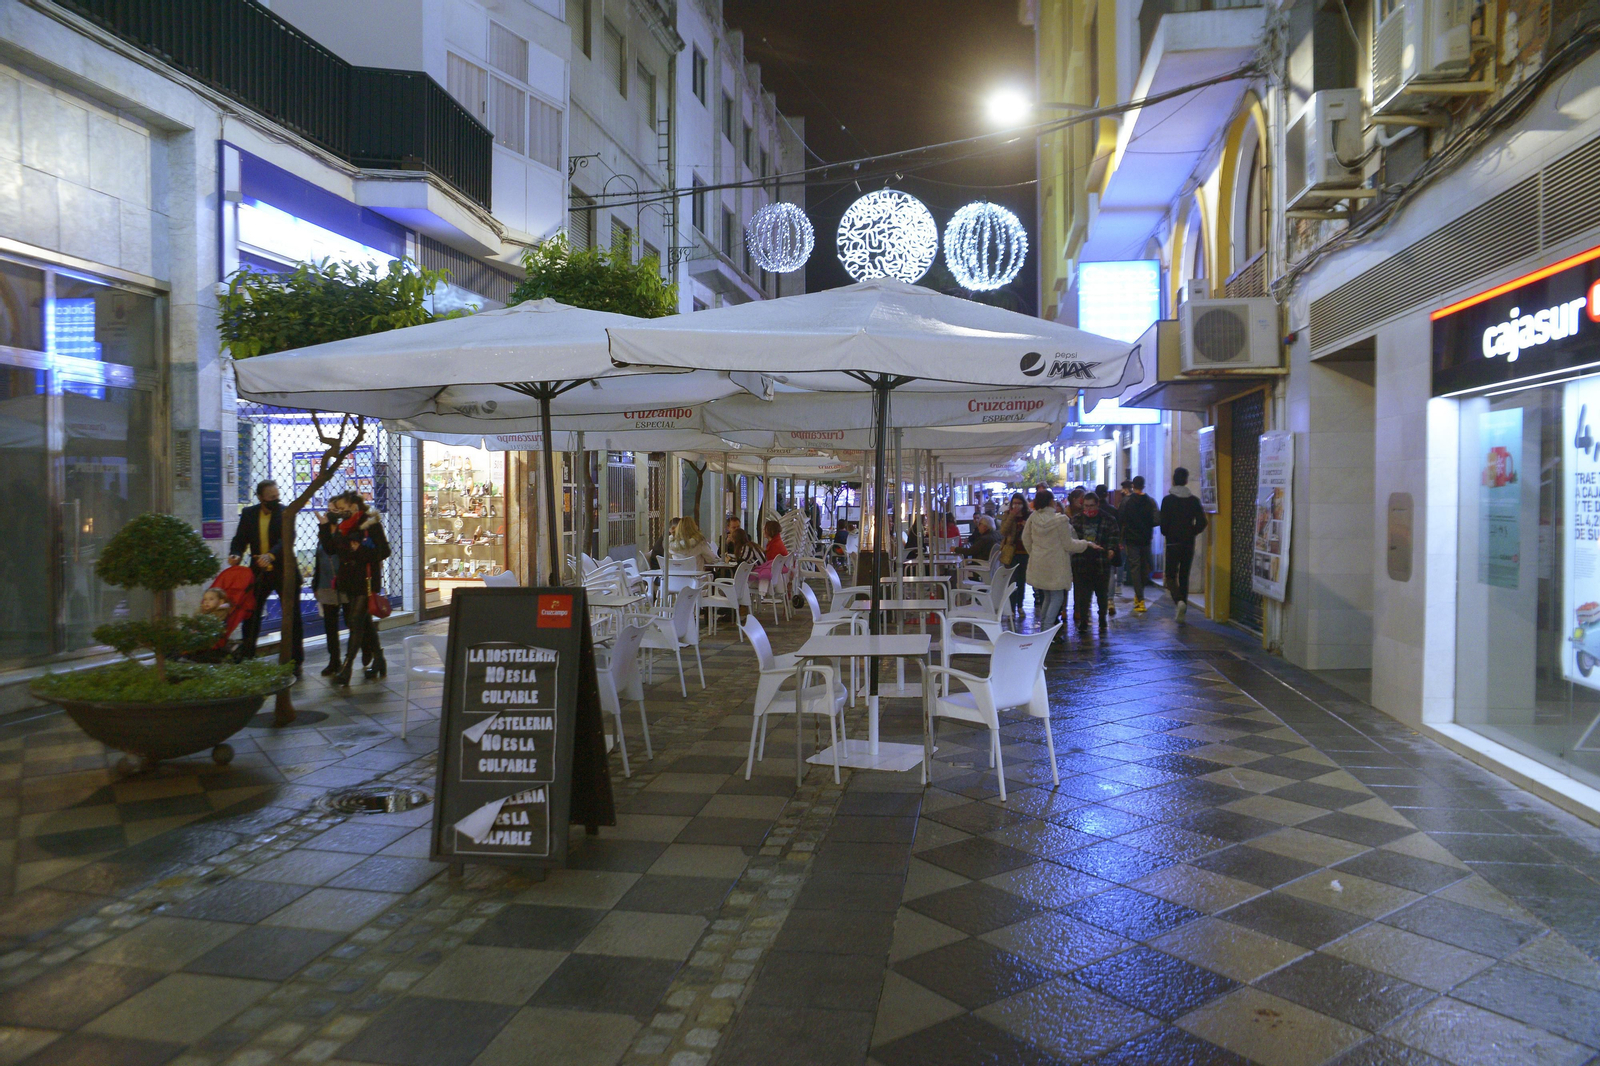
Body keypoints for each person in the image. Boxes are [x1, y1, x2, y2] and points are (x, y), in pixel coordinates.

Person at [229, 480, 304, 672]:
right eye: (271, 497)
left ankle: (294, 660)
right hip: (259, 572)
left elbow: (287, 539)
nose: (275, 500)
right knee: (251, 614)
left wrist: (270, 556)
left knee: (292, 615)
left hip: (284, 571)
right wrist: (235, 553)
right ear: (261, 497)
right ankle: (248, 655)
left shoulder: (285, 513)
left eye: (277, 496)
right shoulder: (249, 514)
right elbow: (240, 539)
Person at [320, 491, 390, 686]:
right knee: (363, 621)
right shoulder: (341, 526)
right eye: (338, 509)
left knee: (355, 621)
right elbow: (330, 549)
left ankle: (347, 667)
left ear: (354, 506)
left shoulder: (370, 523)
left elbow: (384, 551)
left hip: (365, 581)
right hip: (348, 581)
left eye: (344, 509)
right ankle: (379, 659)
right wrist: (325, 526)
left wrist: (360, 551)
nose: (341, 512)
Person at [1020, 488, 1096, 637]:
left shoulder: (1033, 518)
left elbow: (1025, 539)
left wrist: (1035, 553)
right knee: (1057, 597)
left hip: (1039, 564)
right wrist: (1085, 544)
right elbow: (1068, 545)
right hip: (1056, 566)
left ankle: (1044, 630)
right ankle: (1047, 631)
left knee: (1047, 596)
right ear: (1051, 502)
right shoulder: (1060, 520)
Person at [1160, 466, 1209, 624]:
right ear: (1186, 481)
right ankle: (1184, 607)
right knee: (1184, 575)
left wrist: (1169, 533)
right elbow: (1202, 522)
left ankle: (1179, 601)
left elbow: (1163, 526)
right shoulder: (1194, 501)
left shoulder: (1167, 500)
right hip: (1188, 543)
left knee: (1170, 576)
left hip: (1173, 542)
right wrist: (1191, 532)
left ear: (1174, 480)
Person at [1070, 492, 1120, 631]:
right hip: (1081, 561)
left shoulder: (1108, 519)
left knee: (1101, 593)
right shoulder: (1076, 520)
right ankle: (1084, 620)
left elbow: (1114, 535)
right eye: (1086, 506)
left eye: (1091, 506)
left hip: (1101, 560)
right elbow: (1071, 539)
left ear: (1097, 504)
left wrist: (1110, 549)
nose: (1089, 509)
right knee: (1083, 594)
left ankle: (1102, 618)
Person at [310, 519, 346, 677]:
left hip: (344, 585)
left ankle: (364, 654)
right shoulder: (322, 537)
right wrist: (315, 584)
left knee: (355, 622)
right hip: (326, 586)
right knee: (330, 626)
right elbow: (318, 562)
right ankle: (334, 660)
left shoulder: (343, 535)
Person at [1120, 475, 1160, 614]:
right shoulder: (1150, 501)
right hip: (1145, 539)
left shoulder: (1126, 501)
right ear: (1143, 485)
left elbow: (1121, 519)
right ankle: (1139, 594)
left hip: (1131, 540)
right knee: (1145, 567)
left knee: (1135, 568)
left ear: (1133, 486)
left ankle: (1140, 598)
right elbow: (1156, 520)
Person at [997, 493, 1031, 615]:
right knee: (1012, 580)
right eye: (1014, 503)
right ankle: (1011, 607)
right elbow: (1003, 531)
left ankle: (1020, 606)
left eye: (1019, 503)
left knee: (1022, 580)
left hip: (1025, 552)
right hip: (1011, 552)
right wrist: (1011, 516)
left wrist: (1025, 525)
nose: (1017, 506)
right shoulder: (1008, 515)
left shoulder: (1029, 516)